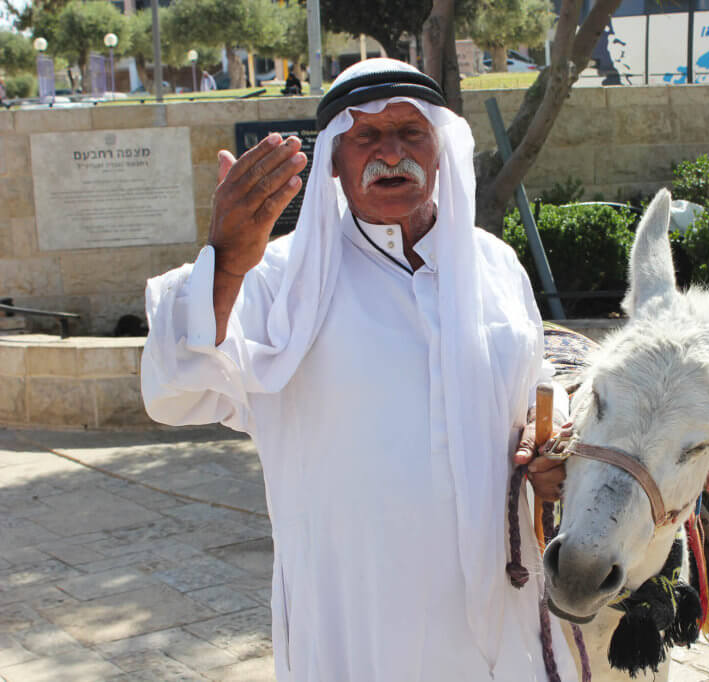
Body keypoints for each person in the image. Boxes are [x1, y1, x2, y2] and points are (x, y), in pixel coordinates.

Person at [141, 58, 574, 681]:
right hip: (356, 617)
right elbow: (174, 391)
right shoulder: (280, 280)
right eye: (366, 136)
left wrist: (549, 443)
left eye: (411, 133)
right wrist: (227, 261)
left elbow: (535, 386)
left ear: (440, 146)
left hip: (498, 603)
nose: (391, 153)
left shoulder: (496, 266)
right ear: (334, 163)